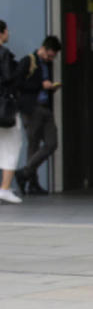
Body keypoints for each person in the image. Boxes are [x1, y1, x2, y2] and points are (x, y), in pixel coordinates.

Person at [14, 36, 62, 196]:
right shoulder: (28, 61)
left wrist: (51, 88)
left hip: (45, 107)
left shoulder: (47, 64)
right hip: (31, 108)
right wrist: (41, 85)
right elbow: (17, 84)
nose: (50, 58)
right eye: (49, 55)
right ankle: (32, 183)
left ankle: (24, 173)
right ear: (44, 48)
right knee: (33, 144)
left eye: (52, 57)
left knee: (52, 142)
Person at [0, 20, 23, 204]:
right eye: (6, 30)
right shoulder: (4, 54)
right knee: (12, 144)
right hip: (4, 107)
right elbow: (8, 78)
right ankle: (5, 188)